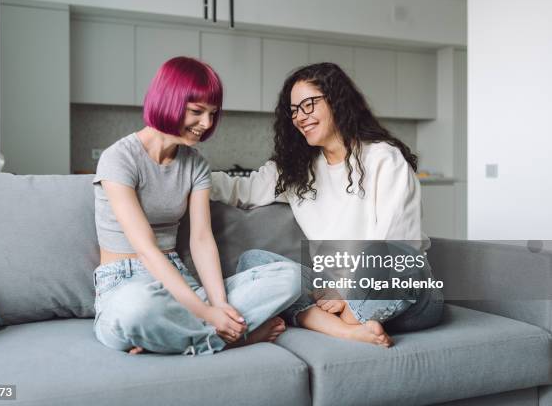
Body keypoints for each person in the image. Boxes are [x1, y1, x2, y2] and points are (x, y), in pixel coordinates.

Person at [212, 62, 444, 347]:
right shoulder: (296, 169)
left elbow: (397, 241)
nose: (300, 117)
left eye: (309, 104)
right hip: (330, 292)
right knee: (255, 262)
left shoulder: (383, 158)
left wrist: (346, 292)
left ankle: (339, 319)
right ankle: (351, 330)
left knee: (391, 257)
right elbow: (241, 190)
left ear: (337, 100)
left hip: (400, 294)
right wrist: (189, 176)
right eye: (294, 110)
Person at [92, 57, 301, 355]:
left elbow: (202, 239)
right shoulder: (119, 158)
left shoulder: (196, 164)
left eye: (212, 114)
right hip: (124, 283)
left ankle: (169, 337)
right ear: (168, 100)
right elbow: (146, 249)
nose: (206, 124)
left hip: (180, 281)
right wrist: (206, 315)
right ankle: (232, 338)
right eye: (196, 111)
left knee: (289, 277)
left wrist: (218, 306)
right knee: (136, 309)